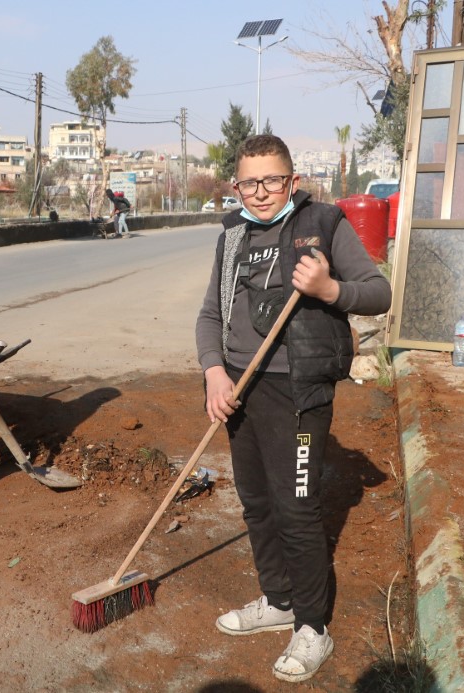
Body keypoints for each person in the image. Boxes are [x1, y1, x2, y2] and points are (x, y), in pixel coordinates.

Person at [195, 134, 391, 683]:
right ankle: (277, 599)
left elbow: (379, 291)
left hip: (299, 391)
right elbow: (211, 313)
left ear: (292, 181)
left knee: (297, 508)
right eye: (249, 183)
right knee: (256, 502)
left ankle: (312, 626)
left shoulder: (324, 224)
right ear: (236, 187)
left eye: (272, 180)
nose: (260, 193)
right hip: (239, 387)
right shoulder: (231, 236)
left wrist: (329, 288)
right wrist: (214, 371)